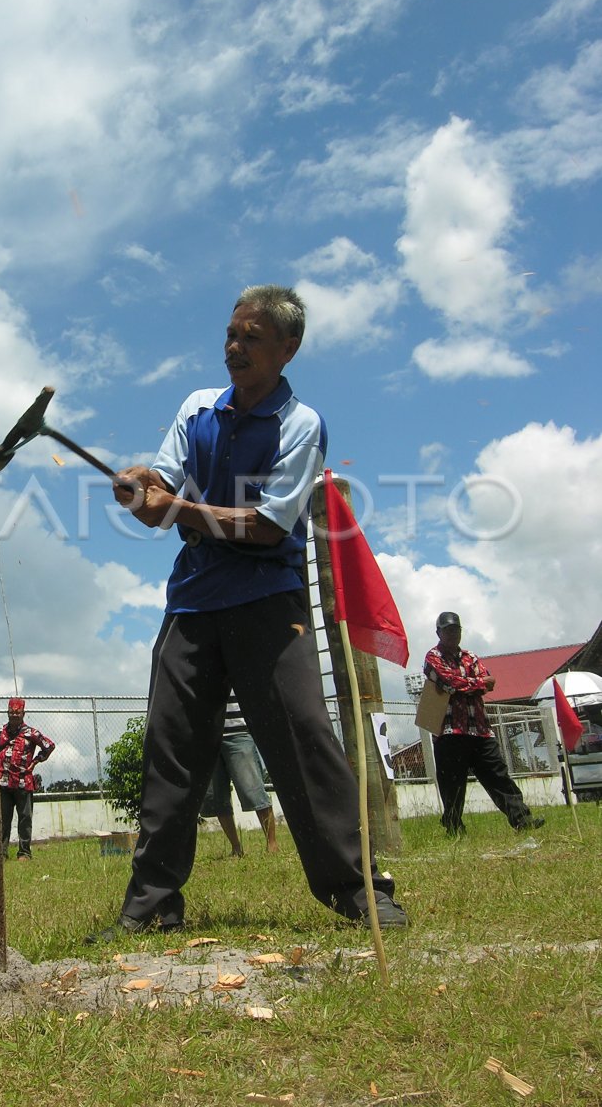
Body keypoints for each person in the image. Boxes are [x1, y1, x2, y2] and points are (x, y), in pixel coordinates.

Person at [91, 284, 406, 940]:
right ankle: (151, 905)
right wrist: (140, 487)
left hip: (269, 601)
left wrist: (175, 510)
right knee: (170, 750)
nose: (233, 348)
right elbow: (162, 486)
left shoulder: (301, 425)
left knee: (301, 741)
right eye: (231, 335)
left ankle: (356, 890)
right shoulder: (196, 407)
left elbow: (266, 528)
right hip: (193, 600)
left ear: (287, 349)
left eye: (251, 338)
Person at [424, 611, 544, 837]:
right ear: (438, 632)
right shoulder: (433, 657)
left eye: (456, 629)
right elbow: (450, 683)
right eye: (448, 630)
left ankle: (522, 820)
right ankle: (453, 826)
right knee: (453, 783)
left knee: (498, 776)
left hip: (479, 729)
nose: (453, 634)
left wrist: (470, 683)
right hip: (449, 730)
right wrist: (477, 683)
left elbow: (488, 682)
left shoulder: (470, 656)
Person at [201, 703, 277, 857]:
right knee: (216, 798)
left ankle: (272, 844)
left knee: (253, 791)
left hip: (239, 732)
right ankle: (236, 848)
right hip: (207, 734)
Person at [0, 697, 55, 860]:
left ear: (23, 713)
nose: (14, 716)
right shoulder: (0, 732)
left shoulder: (31, 733)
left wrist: (36, 761)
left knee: (25, 819)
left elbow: (49, 746)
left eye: (17, 713)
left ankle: (24, 852)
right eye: (11, 713)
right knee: (3, 820)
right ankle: (1, 853)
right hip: (3, 782)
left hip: (23, 783)